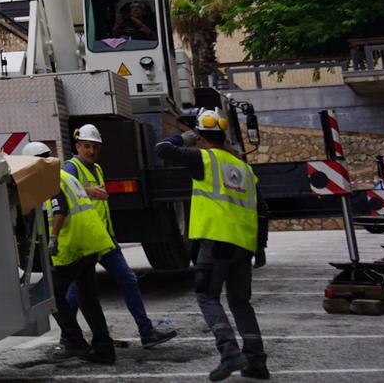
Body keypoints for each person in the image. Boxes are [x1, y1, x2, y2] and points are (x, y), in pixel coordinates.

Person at [158, 109, 267, 381]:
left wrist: (187, 136)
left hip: (216, 241)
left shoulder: (202, 158)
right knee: (241, 303)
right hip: (243, 245)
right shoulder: (244, 168)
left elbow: (162, 149)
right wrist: (260, 247)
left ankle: (230, 353)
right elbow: (262, 210)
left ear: (202, 137)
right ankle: (256, 362)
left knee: (207, 296)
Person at [62, 123, 177, 347]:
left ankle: (146, 332)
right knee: (75, 292)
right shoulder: (71, 168)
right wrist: (89, 191)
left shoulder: (97, 169)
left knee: (128, 280)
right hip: (86, 241)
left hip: (104, 238)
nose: (92, 151)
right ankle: (67, 338)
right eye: (87, 146)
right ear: (77, 146)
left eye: (95, 147)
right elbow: (62, 191)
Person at [48, 143, 118, 364]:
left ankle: (73, 340)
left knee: (52, 292)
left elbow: (59, 209)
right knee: (88, 298)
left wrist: (53, 238)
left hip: (76, 245)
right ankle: (104, 348)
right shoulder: (67, 176)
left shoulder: (50, 180)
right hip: (91, 242)